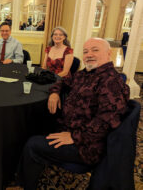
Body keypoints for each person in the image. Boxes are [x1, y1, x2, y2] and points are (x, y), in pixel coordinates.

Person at [18, 38, 130, 190]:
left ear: (108, 53)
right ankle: (27, 168)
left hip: (87, 145)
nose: (89, 54)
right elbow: (62, 81)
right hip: (69, 126)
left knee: (32, 145)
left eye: (95, 50)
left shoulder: (111, 82)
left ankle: (26, 185)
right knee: (31, 123)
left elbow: (107, 121)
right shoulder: (86, 73)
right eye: (85, 51)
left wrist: (75, 136)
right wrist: (55, 93)